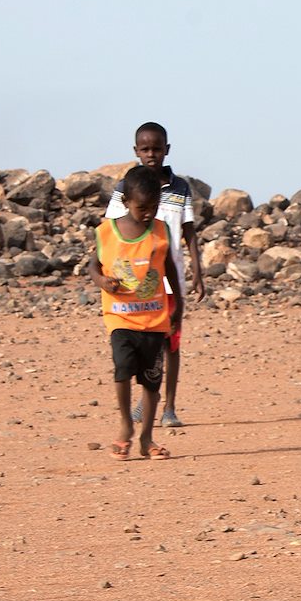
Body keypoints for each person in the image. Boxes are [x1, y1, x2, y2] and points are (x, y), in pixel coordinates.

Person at [104, 122, 203, 428]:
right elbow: (112, 232)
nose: (151, 154)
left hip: (170, 278)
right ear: (136, 152)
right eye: (145, 149)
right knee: (142, 342)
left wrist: (198, 270)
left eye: (156, 149)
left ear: (167, 150)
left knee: (170, 342)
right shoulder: (126, 188)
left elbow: (189, 233)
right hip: (135, 282)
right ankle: (144, 402)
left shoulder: (180, 188)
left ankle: (169, 407)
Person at [94, 166, 182, 460]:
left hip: (154, 321)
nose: (147, 214)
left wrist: (177, 306)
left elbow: (169, 270)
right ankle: (124, 427)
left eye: (154, 207)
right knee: (122, 371)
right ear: (126, 203)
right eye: (141, 208)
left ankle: (146, 438)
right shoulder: (107, 232)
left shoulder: (160, 232)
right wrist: (102, 281)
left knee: (151, 381)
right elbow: (93, 265)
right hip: (120, 318)